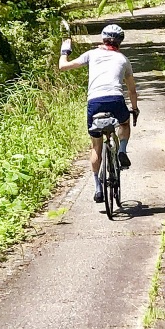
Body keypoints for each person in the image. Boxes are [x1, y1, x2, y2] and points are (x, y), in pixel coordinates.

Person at [59, 23, 140, 203]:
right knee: (124, 123)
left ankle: (97, 188)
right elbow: (132, 91)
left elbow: (62, 66)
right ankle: (122, 150)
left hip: (95, 102)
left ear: (102, 39)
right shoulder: (123, 60)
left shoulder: (91, 54)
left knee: (96, 146)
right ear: (120, 42)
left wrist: (65, 49)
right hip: (116, 100)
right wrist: (134, 109)